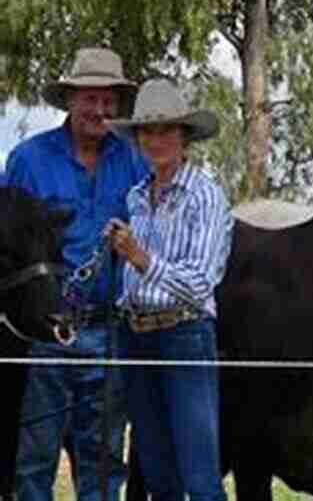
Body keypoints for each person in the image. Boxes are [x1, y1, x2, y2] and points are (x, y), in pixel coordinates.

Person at [2, 47, 148, 501]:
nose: (100, 111)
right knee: (33, 458)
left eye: (109, 101)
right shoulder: (28, 159)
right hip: (44, 336)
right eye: (90, 99)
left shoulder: (135, 161)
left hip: (110, 329)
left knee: (103, 461)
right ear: (69, 100)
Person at [105, 78, 232, 501]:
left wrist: (139, 257)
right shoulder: (137, 197)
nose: (156, 140)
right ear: (138, 138)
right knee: (157, 470)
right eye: (147, 131)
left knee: (199, 472)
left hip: (184, 335)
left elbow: (200, 284)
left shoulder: (206, 197)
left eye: (166, 130)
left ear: (185, 137)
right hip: (135, 335)